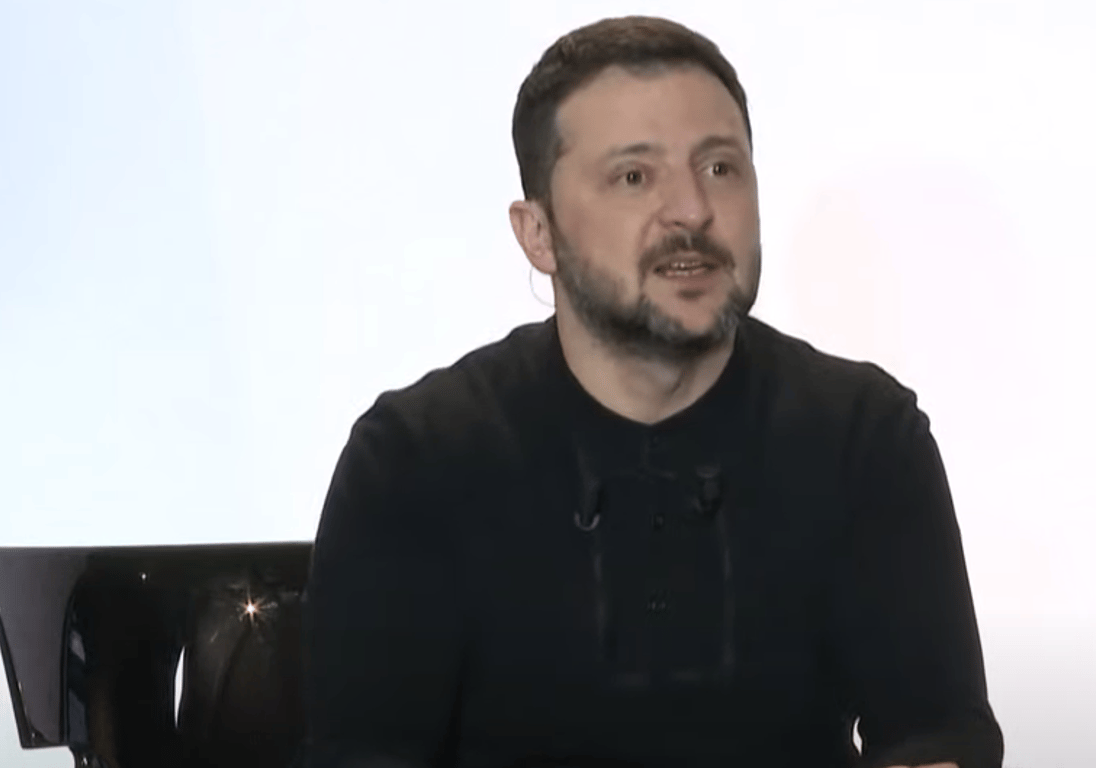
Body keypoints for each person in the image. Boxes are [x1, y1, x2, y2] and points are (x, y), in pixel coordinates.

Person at [300, 15, 1003, 768]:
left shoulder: (864, 436)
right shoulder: (414, 460)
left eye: (720, 168)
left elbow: (935, 738)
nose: (693, 211)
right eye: (634, 177)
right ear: (538, 234)